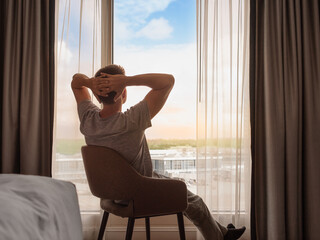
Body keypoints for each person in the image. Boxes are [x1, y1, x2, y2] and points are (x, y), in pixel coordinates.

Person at [71, 64, 246, 240]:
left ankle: (222, 233)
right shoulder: (131, 121)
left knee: (188, 196)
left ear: (95, 94)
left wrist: (88, 82)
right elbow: (168, 81)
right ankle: (221, 237)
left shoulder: (88, 119)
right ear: (123, 94)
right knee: (193, 200)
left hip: (111, 193)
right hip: (139, 190)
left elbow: (76, 83)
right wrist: (127, 80)